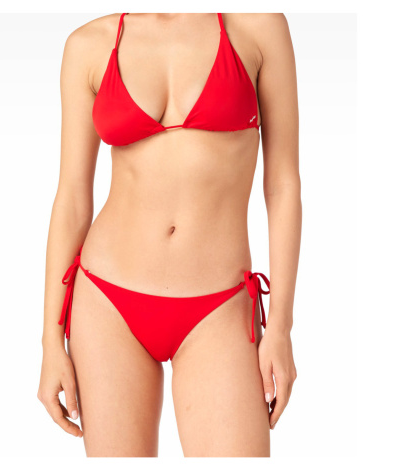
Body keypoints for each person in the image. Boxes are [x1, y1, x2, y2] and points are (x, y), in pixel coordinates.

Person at [37, 12, 300, 457]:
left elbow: (283, 185)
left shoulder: (258, 26)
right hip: (107, 303)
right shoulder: (88, 44)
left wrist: (281, 326)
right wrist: (50, 338)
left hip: (219, 307)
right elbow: (72, 199)